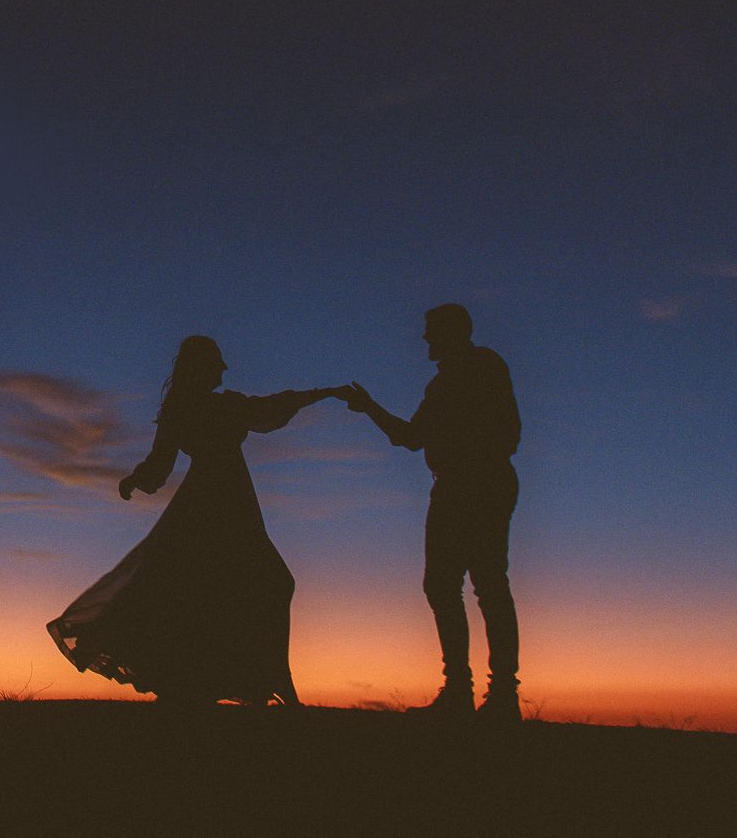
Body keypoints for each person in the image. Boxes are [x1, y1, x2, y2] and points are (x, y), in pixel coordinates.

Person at [47, 336, 342, 704]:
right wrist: (136, 479)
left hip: (227, 501)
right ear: (202, 367)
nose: (224, 369)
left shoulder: (219, 406)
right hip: (212, 502)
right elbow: (161, 462)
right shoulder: (192, 410)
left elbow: (269, 408)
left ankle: (259, 679)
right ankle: (265, 680)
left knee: (237, 587)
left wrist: (323, 393)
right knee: (245, 585)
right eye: (217, 362)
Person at [341, 303, 523, 723]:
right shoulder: (441, 383)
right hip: (458, 486)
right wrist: (369, 407)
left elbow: (504, 430)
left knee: (486, 585)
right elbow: (410, 438)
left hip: (478, 485)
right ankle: (465, 690)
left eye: (430, 332)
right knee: (447, 586)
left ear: (451, 332)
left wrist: (473, 463)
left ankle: (499, 694)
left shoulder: (481, 367)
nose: (424, 339)